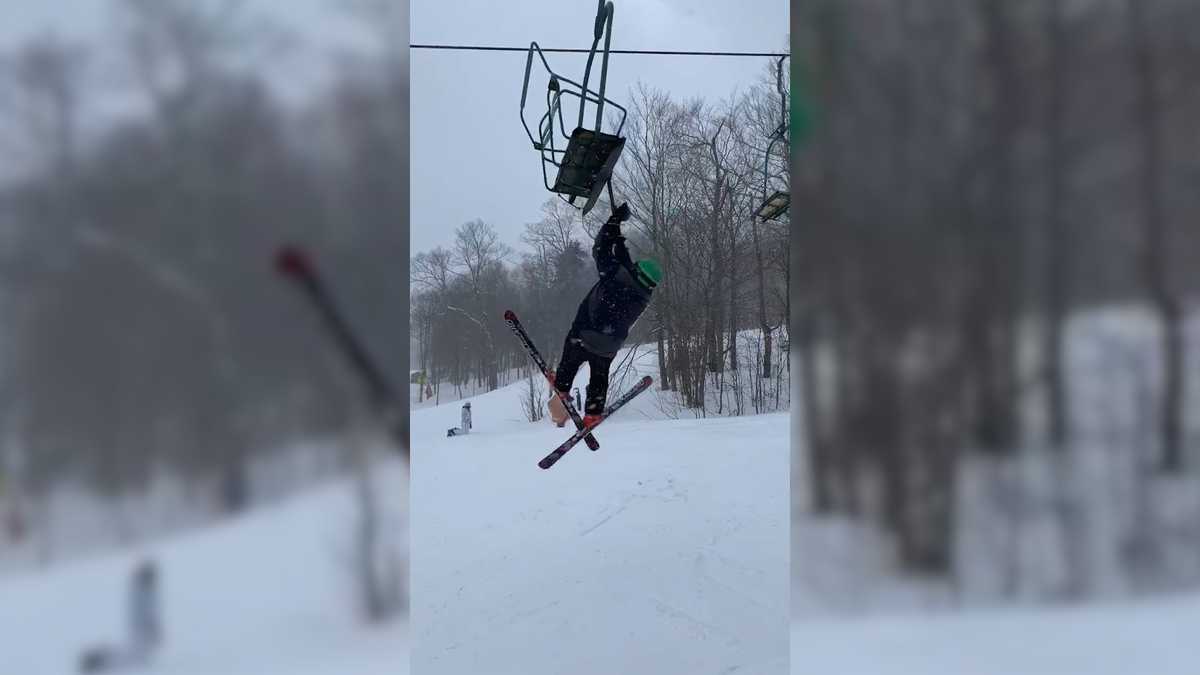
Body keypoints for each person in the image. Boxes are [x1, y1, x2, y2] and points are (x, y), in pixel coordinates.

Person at [548, 203, 662, 427]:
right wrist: (620, 245)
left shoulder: (614, 275)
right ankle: (593, 412)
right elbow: (629, 271)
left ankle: (562, 386)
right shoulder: (643, 294)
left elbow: (599, 248)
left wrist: (613, 222)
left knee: (571, 354)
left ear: (638, 271)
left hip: (585, 333)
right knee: (599, 375)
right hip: (609, 345)